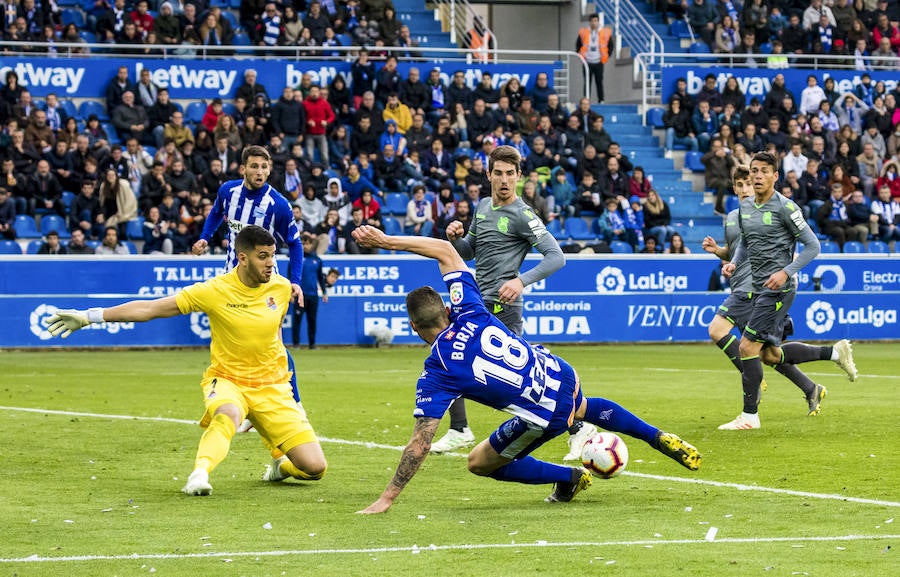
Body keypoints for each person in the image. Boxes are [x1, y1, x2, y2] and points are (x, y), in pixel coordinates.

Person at [351, 226, 702, 513]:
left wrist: (387, 497)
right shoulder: (470, 307)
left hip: (545, 412)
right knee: (581, 406)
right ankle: (656, 436)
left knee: (480, 462)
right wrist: (385, 241)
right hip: (561, 372)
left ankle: (568, 477)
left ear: (413, 327)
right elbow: (445, 249)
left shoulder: (437, 369)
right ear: (446, 306)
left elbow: (419, 443)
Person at [46, 226, 328, 496]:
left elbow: (274, 341)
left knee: (315, 468)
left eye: (273, 255)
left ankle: (279, 467)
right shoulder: (214, 291)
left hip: (272, 387)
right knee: (227, 414)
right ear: (242, 258)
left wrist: (290, 389)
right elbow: (150, 308)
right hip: (229, 381)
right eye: (263, 256)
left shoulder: (279, 288)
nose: (270, 263)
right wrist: (89, 316)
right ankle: (199, 474)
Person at [437, 145, 594, 459]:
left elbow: (557, 257)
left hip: (502, 307)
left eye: (511, 173)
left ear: (519, 176)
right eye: (499, 173)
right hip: (477, 304)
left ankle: (579, 427)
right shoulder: (482, 206)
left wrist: (521, 280)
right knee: (446, 355)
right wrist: (456, 238)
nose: (504, 179)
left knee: (530, 377)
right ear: (489, 174)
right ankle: (459, 429)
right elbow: (470, 252)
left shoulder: (523, 214)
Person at [719, 153, 857, 430]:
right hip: (759, 288)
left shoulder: (785, 207)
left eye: (763, 171)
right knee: (768, 355)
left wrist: (785, 272)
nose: (757, 176)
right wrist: (733, 263)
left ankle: (749, 416)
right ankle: (834, 354)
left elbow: (812, 246)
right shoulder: (747, 209)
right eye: (754, 171)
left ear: (775, 176)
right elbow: (745, 241)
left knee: (746, 347)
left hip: (779, 289)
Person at [291, 233, 339, 349]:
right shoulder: (296, 259)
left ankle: (312, 344)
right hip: (300, 295)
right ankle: (296, 344)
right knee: (297, 320)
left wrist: (324, 292)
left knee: (312, 320)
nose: (305, 246)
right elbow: (290, 277)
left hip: (313, 295)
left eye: (307, 244)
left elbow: (320, 278)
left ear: (311, 245)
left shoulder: (317, 260)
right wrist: (290, 294)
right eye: (303, 244)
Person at [576, 13, 612, 104]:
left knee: (599, 81)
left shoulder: (605, 32)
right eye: (592, 21)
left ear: (598, 22)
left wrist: (607, 55)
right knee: (587, 82)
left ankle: (601, 100)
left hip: (599, 61)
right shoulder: (584, 32)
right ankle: (586, 100)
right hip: (587, 61)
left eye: (596, 21)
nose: (594, 23)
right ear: (589, 22)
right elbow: (578, 44)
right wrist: (580, 55)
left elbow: (611, 45)